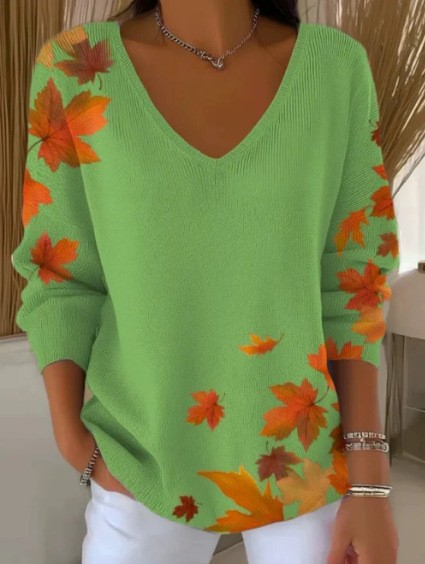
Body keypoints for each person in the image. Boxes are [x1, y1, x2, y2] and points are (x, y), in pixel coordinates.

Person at [11, 0, 401, 562]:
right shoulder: (76, 69)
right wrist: (75, 443)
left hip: (309, 467)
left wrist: (369, 485)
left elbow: (353, 283)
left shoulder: (334, 71)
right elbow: (60, 275)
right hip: (139, 464)